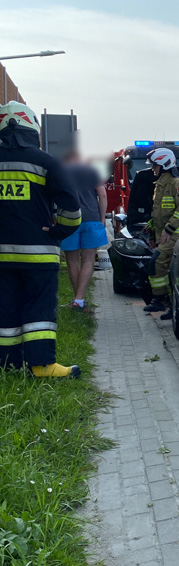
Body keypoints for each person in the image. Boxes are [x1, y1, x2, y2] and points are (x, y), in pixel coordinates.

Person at [0, 101, 82, 378]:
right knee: (38, 307)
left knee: (5, 309)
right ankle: (42, 366)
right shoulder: (45, 162)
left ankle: (7, 365)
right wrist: (58, 232)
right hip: (37, 254)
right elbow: (72, 209)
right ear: (32, 126)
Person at [142, 148, 179, 318]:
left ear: (164, 165)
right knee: (169, 268)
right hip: (165, 235)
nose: (153, 169)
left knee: (157, 262)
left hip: (176, 234)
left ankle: (160, 299)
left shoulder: (177, 184)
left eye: (155, 165)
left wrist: (169, 230)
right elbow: (160, 213)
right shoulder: (161, 186)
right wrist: (151, 227)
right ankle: (170, 305)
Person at [60, 148, 108, 312]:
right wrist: (102, 219)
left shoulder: (61, 171)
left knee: (71, 261)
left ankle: (78, 300)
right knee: (88, 260)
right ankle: (79, 300)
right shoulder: (91, 171)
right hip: (91, 219)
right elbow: (102, 195)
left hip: (68, 219)